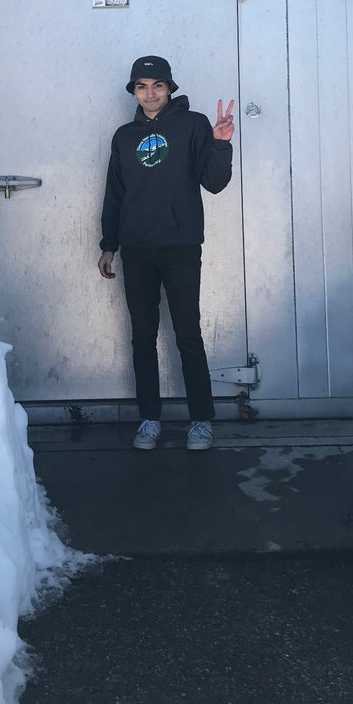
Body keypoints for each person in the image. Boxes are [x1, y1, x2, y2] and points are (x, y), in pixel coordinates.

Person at [97, 55, 235, 451]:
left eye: (158, 85)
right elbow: (114, 192)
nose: (150, 93)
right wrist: (109, 245)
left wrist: (221, 145)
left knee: (187, 334)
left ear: (170, 88)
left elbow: (215, 183)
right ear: (134, 91)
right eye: (142, 86)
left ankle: (201, 421)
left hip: (180, 247)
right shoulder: (124, 136)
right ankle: (149, 419)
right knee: (142, 336)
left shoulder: (193, 125)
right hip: (137, 249)